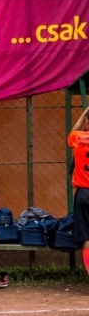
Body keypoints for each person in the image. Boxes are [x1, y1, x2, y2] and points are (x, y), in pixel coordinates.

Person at [69, 106, 89, 277]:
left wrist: (85, 112)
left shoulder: (78, 138)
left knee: (87, 238)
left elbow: (73, 132)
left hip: (84, 194)